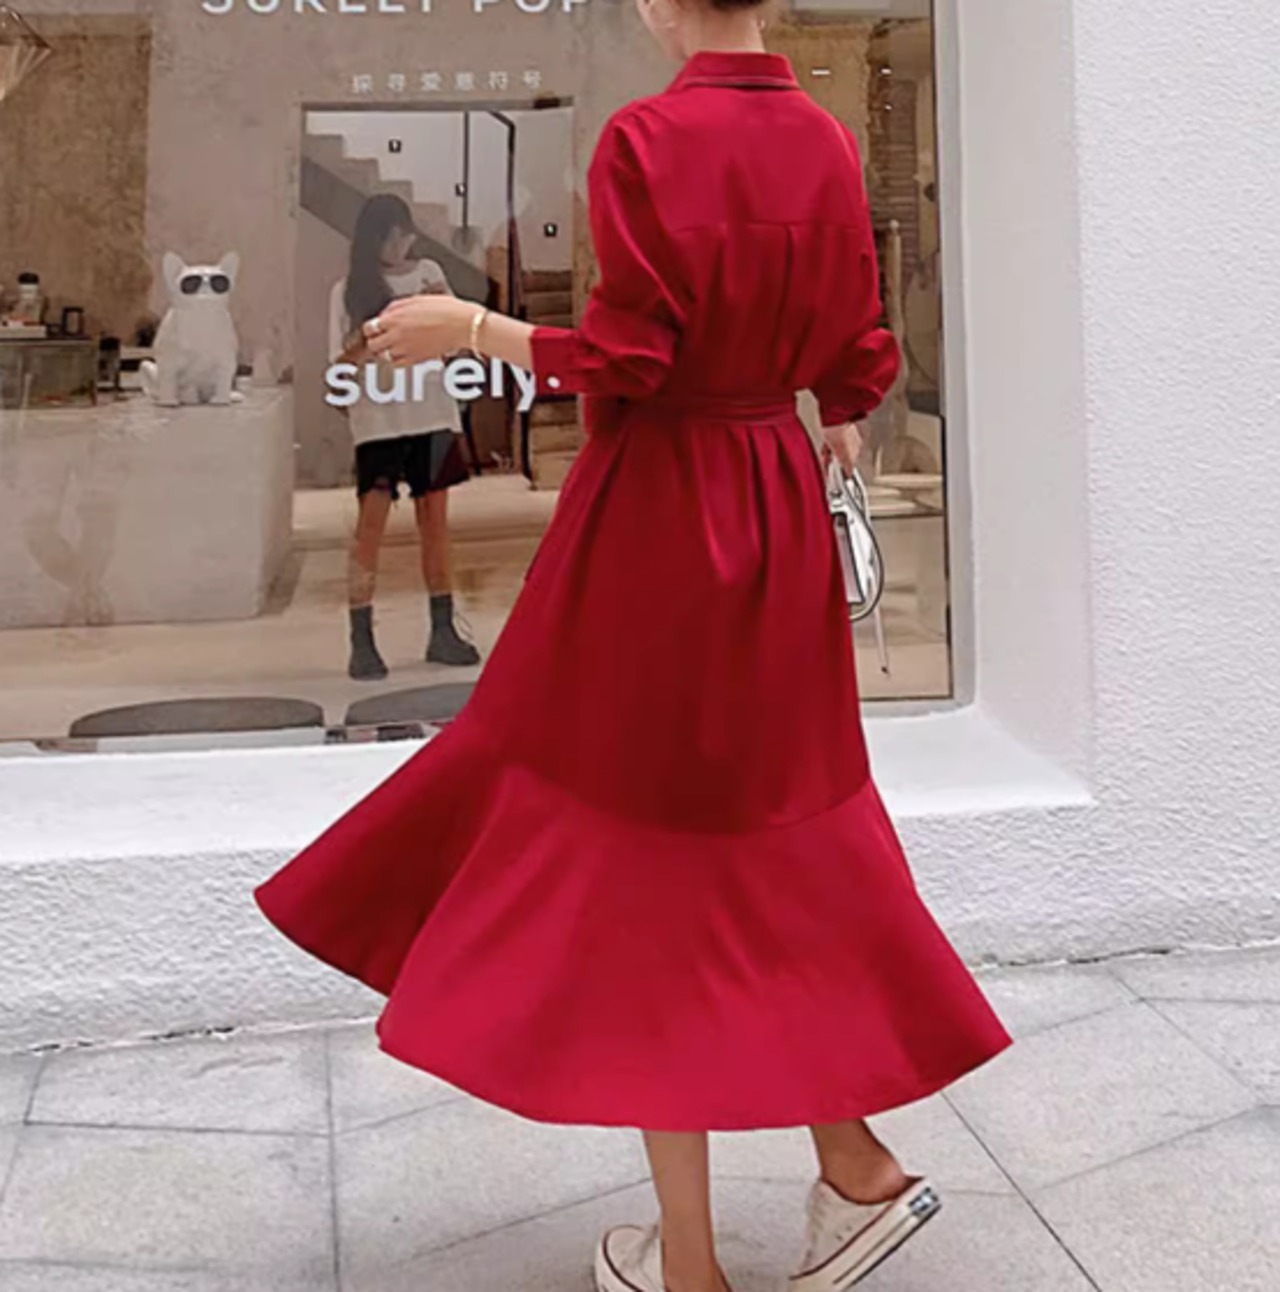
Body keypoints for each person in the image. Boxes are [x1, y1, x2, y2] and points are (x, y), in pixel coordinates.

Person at [258, 4, 1012, 1291]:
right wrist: (826, 416)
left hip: (663, 511)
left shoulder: (649, 140)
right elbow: (855, 355)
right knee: (760, 828)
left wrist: (472, 329)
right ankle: (844, 1169)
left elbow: (630, 358)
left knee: (633, 848)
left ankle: (701, 1260)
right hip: (768, 499)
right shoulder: (827, 144)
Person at [330, 193, 480, 680]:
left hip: (432, 414)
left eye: (404, 235)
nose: (400, 246)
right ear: (372, 239)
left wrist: (441, 310)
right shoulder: (348, 291)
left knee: (435, 523)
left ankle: (443, 628)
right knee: (370, 528)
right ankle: (362, 638)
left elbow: (460, 339)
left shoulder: (428, 272)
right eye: (390, 236)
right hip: (379, 422)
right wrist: (372, 331)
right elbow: (339, 367)